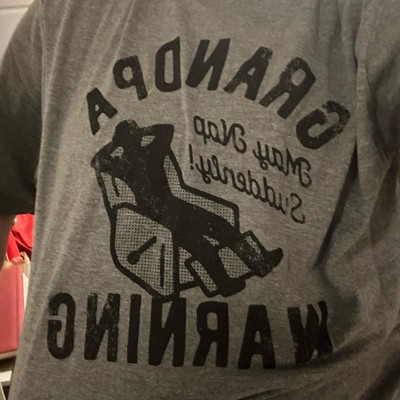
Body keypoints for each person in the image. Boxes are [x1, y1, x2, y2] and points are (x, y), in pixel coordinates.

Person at [0, 0, 399, 398]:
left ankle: (255, 260)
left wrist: (136, 141)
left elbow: (160, 135)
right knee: (197, 240)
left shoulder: (369, 14)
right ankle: (225, 277)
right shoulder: (65, 13)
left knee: (219, 225)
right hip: (152, 215)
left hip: (172, 206)